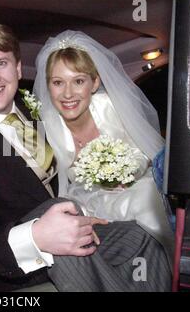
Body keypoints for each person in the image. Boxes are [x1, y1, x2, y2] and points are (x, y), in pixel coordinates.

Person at [0, 24, 171, 291]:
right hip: (20, 264)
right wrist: (36, 236)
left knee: (140, 236)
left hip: (77, 228)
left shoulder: (38, 110)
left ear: (18, 68)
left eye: (0, 63)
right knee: (53, 214)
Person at [33, 30, 174, 258]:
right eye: (58, 82)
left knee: (145, 196)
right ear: (49, 87)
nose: (68, 94)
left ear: (95, 82)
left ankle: (173, 267)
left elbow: (143, 152)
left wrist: (125, 173)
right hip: (87, 199)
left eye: (78, 81)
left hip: (134, 185)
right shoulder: (45, 126)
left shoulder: (111, 107)